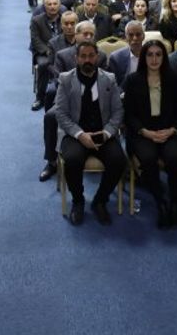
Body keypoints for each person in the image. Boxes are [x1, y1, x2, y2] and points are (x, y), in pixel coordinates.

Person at [56, 41, 127, 226]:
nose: (87, 60)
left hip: (102, 132)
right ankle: (78, 201)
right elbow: (61, 113)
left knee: (118, 161)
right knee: (72, 160)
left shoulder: (109, 79)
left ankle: (99, 201)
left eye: (91, 56)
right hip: (75, 134)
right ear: (76, 58)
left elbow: (118, 111)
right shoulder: (65, 79)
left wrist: (107, 133)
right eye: (83, 56)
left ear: (97, 57)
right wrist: (80, 135)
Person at [123, 40, 177, 228]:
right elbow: (129, 115)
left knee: (174, 159)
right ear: (144, 57)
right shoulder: (133, 80)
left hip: (168, 130)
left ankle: (174, 202)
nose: (154, 58)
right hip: (142, 131)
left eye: (158, 54)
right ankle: (160, 202)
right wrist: (146, 132)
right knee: (148, 159)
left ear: (164, 57)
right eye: (150, 54)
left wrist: (172, 130)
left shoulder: (173, 78)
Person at [30, 0, 62, 111]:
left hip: (63, 50)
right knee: (44, 65)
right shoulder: (36, 20)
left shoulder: (65, 18)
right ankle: (40, 97)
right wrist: (48, 51)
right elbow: (35, 40)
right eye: (49, 4)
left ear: (59, 5)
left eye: (55, 4)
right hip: (44, 52)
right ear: (44, 6)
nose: (52, 6)